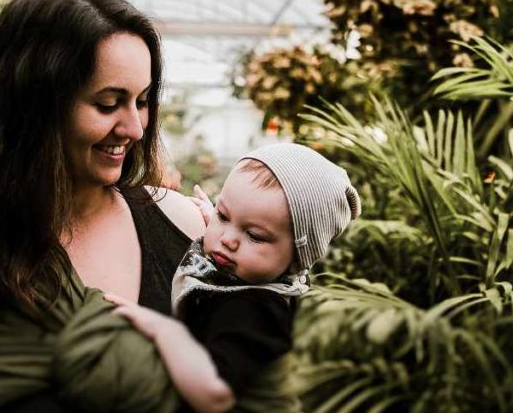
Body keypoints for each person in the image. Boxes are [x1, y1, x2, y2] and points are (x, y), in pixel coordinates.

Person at [0, 0, 205, 411]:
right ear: (37, 106)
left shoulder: (182, 225)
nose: (135, 128)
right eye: (108, 103)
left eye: (142, 100)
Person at [108, 143, 361, 413]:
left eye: (254, 235)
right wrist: (222, 223)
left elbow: (215, 395)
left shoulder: (255, 310)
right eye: (223, 214)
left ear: (298, 259)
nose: (227, 240)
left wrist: (165, 330)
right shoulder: (249, 270)